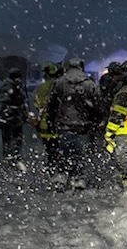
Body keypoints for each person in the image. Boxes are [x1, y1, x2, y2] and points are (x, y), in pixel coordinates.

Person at [46, 57, 101, 190]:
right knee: (80, 153)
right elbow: (98, 106)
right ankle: (78, 177)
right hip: (84, 125)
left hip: (64, 123)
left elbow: (51, 105)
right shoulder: (89, 84)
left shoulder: (60, 83)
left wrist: (50, 121)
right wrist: (96, 123)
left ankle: (62, 176)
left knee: (64, 151)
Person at [0, 67, 29, 172]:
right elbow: (3, 103)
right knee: (9, 139)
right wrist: (14, 111)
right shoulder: (9, 86)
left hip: (14, 119)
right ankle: (10, 158)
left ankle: (14, 157)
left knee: (16, 138)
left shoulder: (15, 86)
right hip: (9, 119)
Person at [32, 62, 62, 175]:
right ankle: (62, 171)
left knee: (50, 151)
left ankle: (52, 171)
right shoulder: (61, 86)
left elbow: (36, 104)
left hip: (45, 125)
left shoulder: (39, 89)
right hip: (60, 123)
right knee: (62, 150)